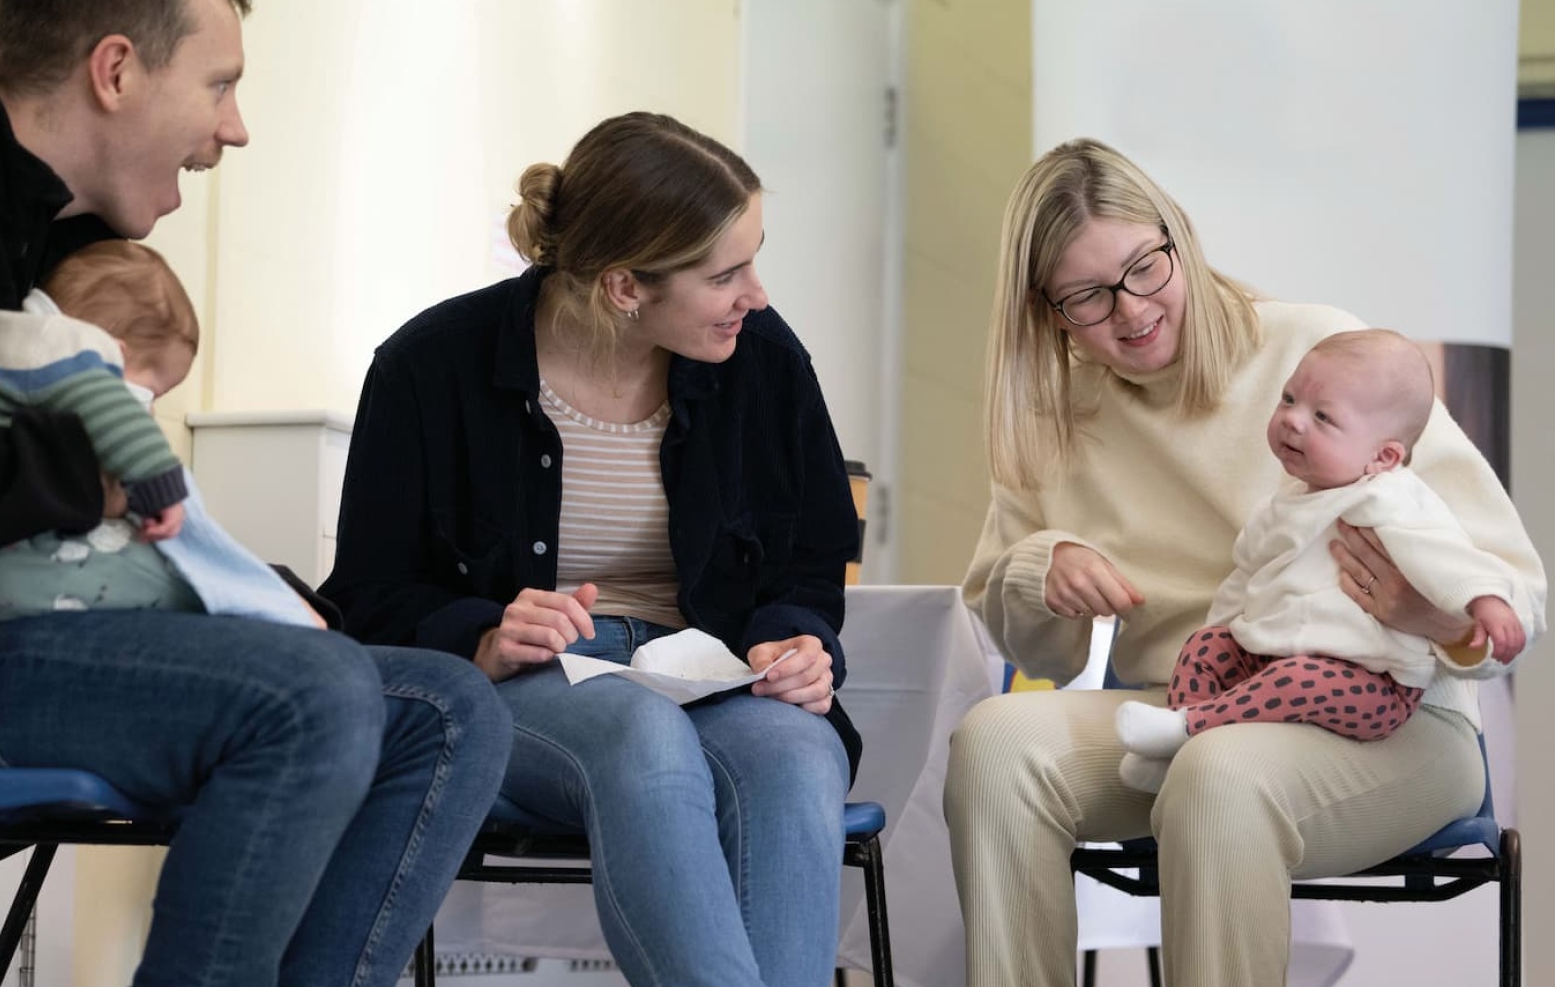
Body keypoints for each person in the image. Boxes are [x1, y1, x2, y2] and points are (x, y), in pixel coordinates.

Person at [0, 0, 510, 985]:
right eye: (219, 84)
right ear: (117, 70)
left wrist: (249, 596)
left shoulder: (33, 237)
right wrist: (85, 471)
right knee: (312, 698)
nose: (235, 127)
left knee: (445, 712)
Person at [946, 138, 1545, 986]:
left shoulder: (1319, 353)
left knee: (1220, 774)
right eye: (1085, 296)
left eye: (1145, 268)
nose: (1130, 312)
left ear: (1178, 238)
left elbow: (1516, 583)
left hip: (1393, 721)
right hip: (1183, 710)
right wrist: (1038, 570)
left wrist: (1437, 619)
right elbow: (1036, 650)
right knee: (994, 744)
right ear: (1048, 311)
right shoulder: (1057, 418)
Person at [322, 112, 860, 987]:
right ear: (623, 287)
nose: (756, 294)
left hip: (715, 673)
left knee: (798, 758)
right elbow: (367, 592)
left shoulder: (762, 359)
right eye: (726, 274)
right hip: (535, 691)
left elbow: (811, 553)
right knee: (640, 733)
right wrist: (485, 634)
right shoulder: (432, 366)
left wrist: (800, 638)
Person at [1113, 328, 1530, 792]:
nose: (1293, 420)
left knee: (1300, 678)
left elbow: (1446, 557)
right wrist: (1225, 635)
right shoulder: (1282, 503)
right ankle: (1173, 755)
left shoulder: (1390, 500)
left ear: (1383, 456)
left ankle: (1187, 729)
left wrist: (1486, 601)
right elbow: (1243, 581)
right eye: (1289, 398)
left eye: (1323, 417)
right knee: (1203, 648)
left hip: (1373, 685)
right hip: (1271, 659)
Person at [0, 240, 204, 625]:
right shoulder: (54, 346)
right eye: (149, 393)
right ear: (111, 353)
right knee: (175, 584)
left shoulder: (15, 347)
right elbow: (103, 402)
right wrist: (160, 479)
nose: (148, 411)